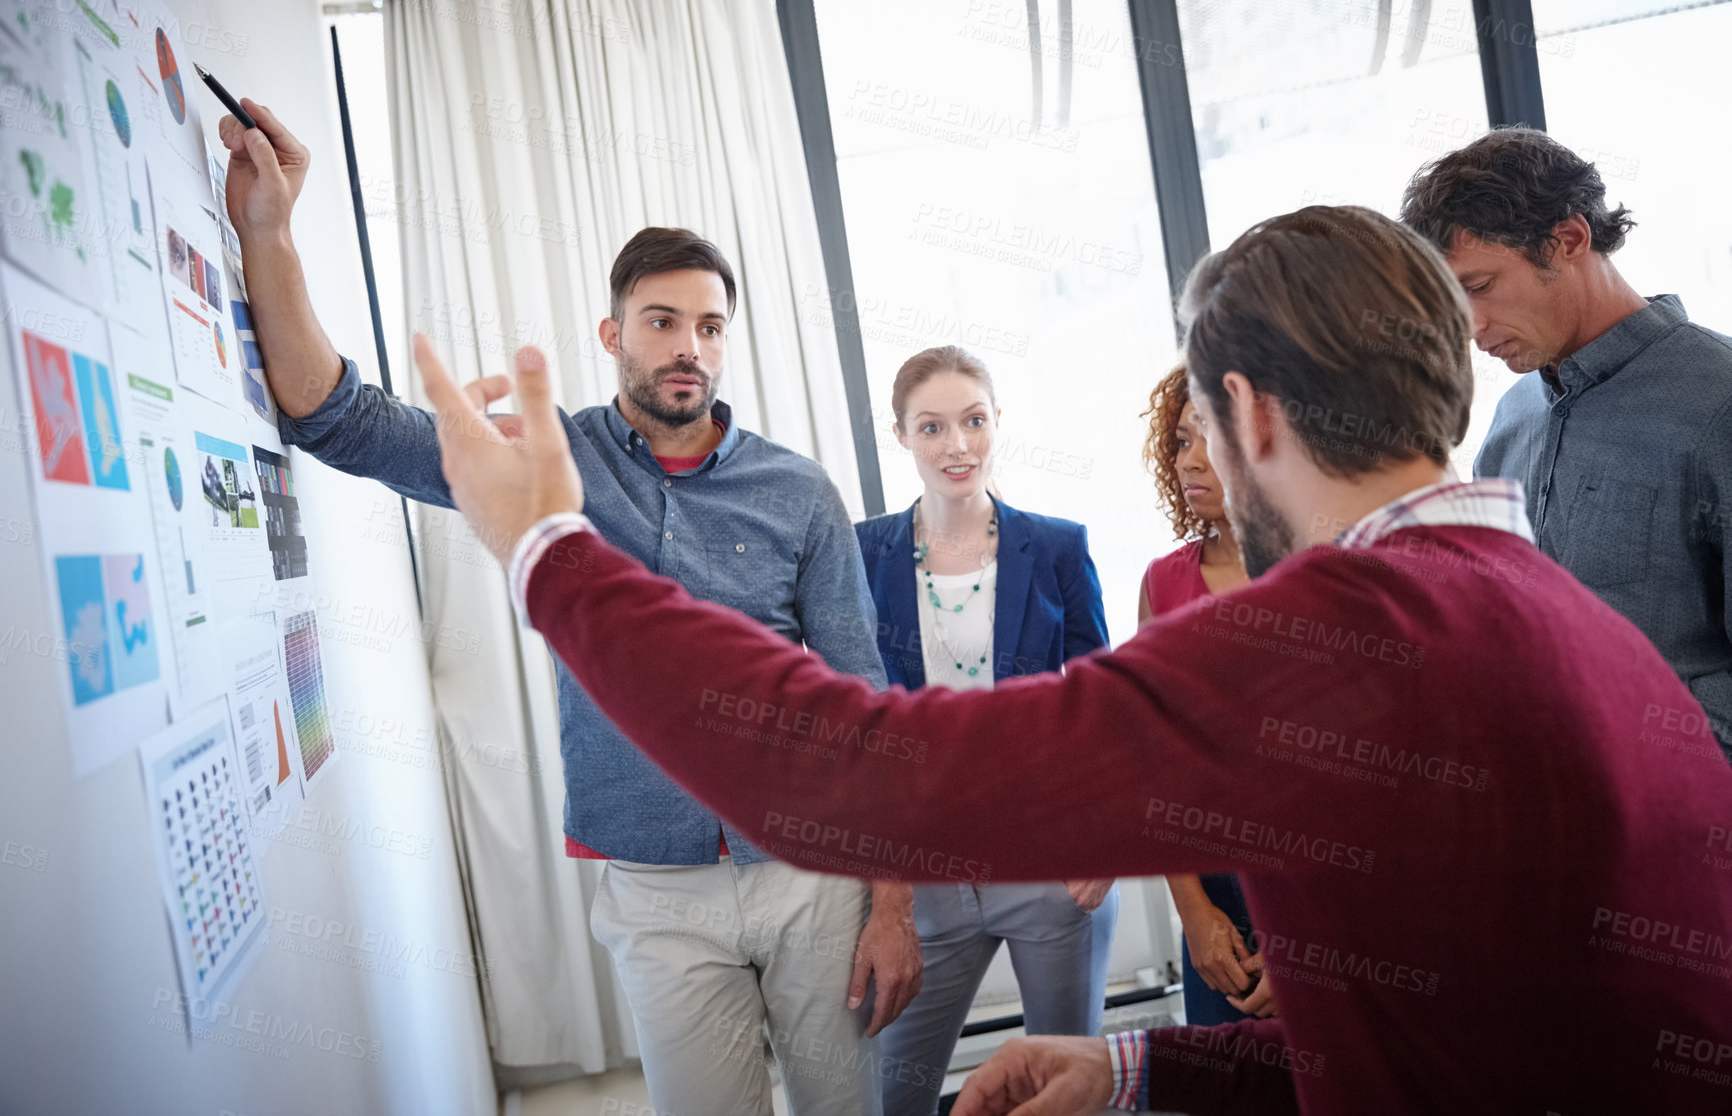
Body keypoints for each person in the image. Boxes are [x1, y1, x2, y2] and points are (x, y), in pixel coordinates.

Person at [412, 204, 1732, 1114]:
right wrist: (1142, 1069)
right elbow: (1455, 1046)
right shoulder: (1581, 622)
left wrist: (549, 551)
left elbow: (858, 780)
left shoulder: (1338, 637)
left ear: (1247, 414)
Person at [217, 101, 919, 1114]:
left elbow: (866, 702)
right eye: (662, 321)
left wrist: (893, 905)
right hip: (655, 887)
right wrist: (270, 232)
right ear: (613, 332)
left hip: (810, 867)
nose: (689, 346)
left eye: (710, 325)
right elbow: (337, 419)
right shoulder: (548, 457)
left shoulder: (798, 489)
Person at [1401, 127, 1732, 766]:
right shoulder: (1510, 419)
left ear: (1570, 239)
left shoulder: (1719, 404)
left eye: (1480, 286)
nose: (1467, 329)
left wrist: (1634, 758)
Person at [855, 346, 1117, 1114]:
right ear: (900, 435)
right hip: (924, 871)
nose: (957, 446)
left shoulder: (1058, 545)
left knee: (1061, 1083)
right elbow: (854, 727)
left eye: (973, 421)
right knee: (893, 1089)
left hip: (1046, 859)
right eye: (931, 427)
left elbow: (1102, 704)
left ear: (998, 422)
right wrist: (885, 899)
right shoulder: (861, 551)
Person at [1137, 363, 1267, 1026]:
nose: (1190, 461)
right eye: (1181, 442)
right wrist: (1193, 913)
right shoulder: (1163, 583)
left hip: (1325, 886)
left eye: (1208, 441)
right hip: (1211, 893)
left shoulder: (1323, 566)